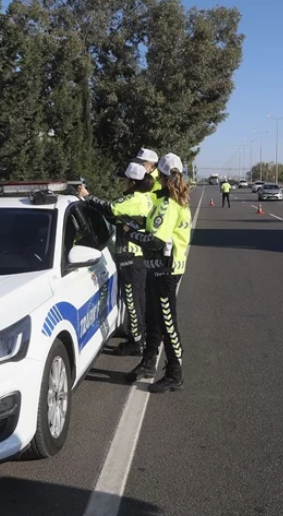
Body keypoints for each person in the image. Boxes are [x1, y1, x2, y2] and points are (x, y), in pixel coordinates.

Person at [125, 153, 192, 393]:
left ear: (161, 176)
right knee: (154, 318)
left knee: (167, 322)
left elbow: (155, 241)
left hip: (166, 270)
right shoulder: (170, 199)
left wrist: (129, 233)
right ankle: (148, 363)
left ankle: (175, 373)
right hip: (159, 268)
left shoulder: (169, 204)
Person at [78, 162, 155, 356]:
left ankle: (136, 343)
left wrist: (88, 197)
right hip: (136, 257)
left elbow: (111, 208)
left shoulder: (135, 199)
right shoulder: (141, 198)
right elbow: (116, 217)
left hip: (131, 257)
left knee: (133, 301)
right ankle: (139, 338)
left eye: (124, 179)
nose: (122, 182)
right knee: (138, 300)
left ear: (132, 181)